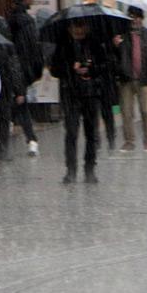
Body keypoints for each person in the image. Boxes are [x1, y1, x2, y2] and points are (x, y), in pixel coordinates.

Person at [50, 20, 108, 184]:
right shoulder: (63, 45)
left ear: (87, 27)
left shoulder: (94, 44)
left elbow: (104, 66)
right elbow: (55, 69)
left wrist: (90, 68)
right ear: (69, 28)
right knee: (71, 133)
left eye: (82, 26)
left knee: (91, 133)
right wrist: (71, 68)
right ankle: (71, 170)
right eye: (75, 26)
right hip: (71, 93)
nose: (79, 30)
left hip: (90, 93)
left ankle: (90, 169)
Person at [0, 15, 39, 160]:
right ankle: (2, 150)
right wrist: (19, 90)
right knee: (3, 117)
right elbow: (14, 68)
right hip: (4, 86)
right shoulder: (7, 45)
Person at [113, 6, 147, 152]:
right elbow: (115, 57)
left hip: (145, 78)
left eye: (136, 17)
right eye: (131, 17)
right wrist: (116, 46)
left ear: (141, 19)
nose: (134, 20)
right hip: (126, 78)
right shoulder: (122, 36)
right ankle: (129, 141)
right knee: (126, 112)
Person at [8, 0, 42, 156]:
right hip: (23, 68)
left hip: (9, 68)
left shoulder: (8, 21)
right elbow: (33, 49)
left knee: (16, 104)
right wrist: (35, 70)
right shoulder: (28, 22)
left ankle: (15, 139)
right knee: (21, 104)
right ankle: (31, 140)